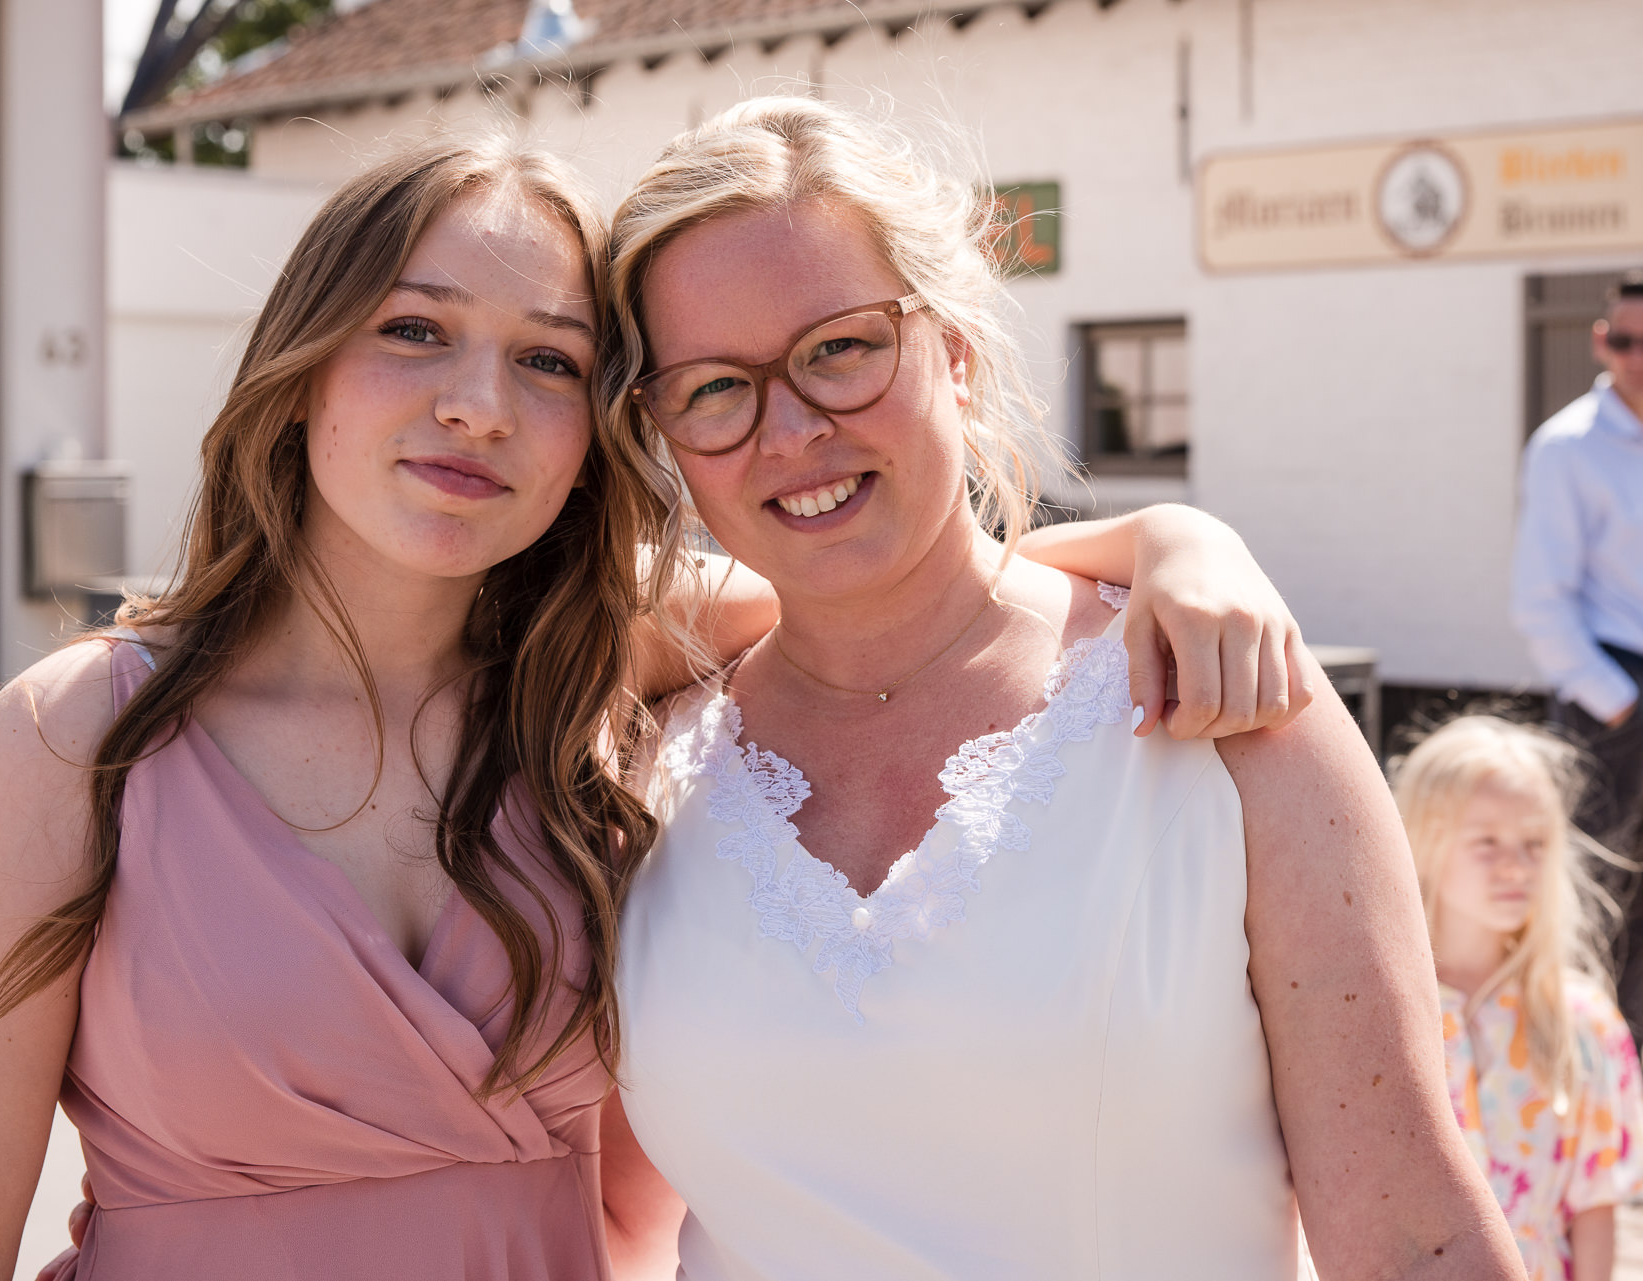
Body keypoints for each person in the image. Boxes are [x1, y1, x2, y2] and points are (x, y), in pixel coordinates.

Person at [0, 133, 1305, 1281]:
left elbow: (936, 584)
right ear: (302, 372)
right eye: (417, 331)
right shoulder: (80, 740)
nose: (479, 405)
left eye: (549, 361)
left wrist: (1173, 538)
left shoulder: (601, 678)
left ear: (591, 439)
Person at [596, 97, 1524, 1280]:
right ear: (660, 431)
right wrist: (1165, 529)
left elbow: (1411, 1235)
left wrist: (1174, 545)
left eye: (841, 347)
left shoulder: (1223, 707)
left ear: (958, 351)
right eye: (715, 387)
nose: (791, 430)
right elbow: (618, 1224)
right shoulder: (634, 756)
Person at [1394, 716, 1643, 1281]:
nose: (1515, 866)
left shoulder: (1580, 1020)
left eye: (1534, 843)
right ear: (1423, 840)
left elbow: (1594, 1206)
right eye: (1486, 841)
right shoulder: (1384, 1012)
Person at [1512, 268, 1643, 1027]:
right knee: (1604, 896)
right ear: (1602, 341)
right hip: (1616, 696)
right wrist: (1620, 705)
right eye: (1625, 340)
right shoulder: (1567, 448)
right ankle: (1595, 1060)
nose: (1637, 356)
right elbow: (1539, 602)